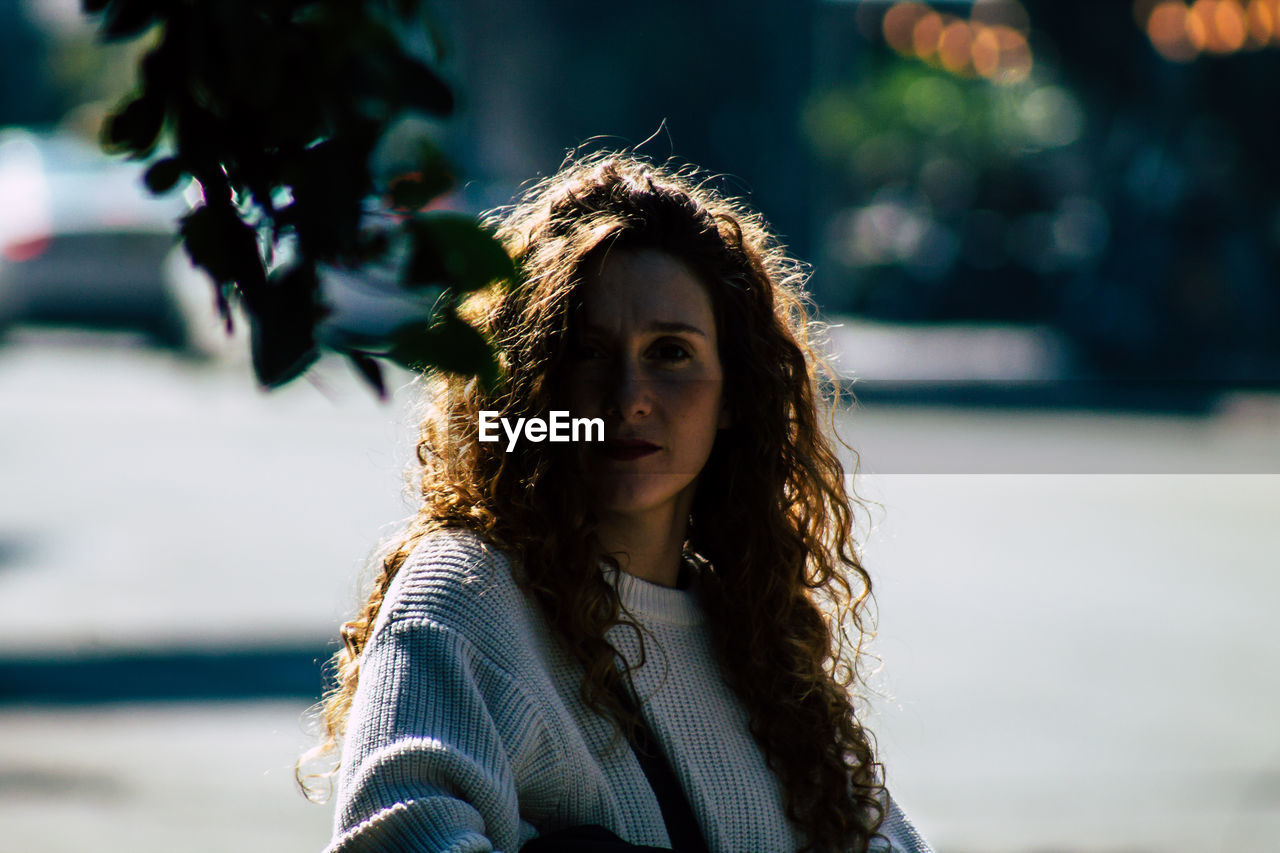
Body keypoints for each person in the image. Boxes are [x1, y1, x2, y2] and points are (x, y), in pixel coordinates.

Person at [300, 151, 933, 853]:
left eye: (671, 353)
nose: (629, 397)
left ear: (734, 397)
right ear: (535, 387)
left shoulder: (759, 640)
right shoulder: (467, 592)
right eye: (589, 351)